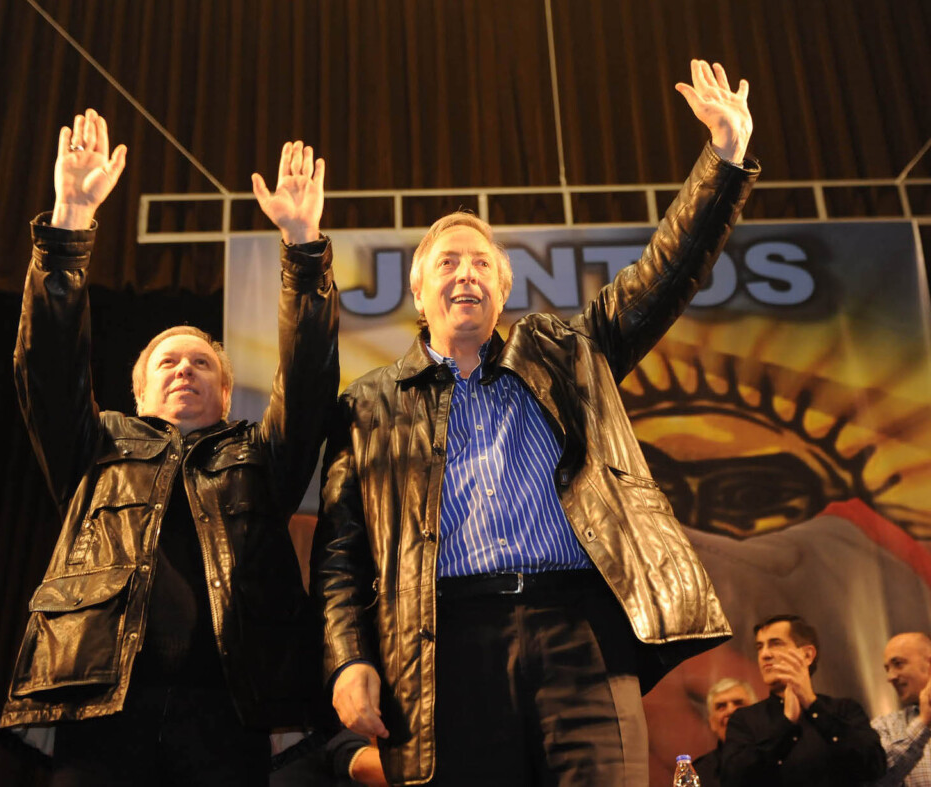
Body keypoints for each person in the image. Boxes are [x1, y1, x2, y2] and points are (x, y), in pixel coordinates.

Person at [313, 60, 758, 785]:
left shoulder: (569, 355)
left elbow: (664, 276)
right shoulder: (369, 406)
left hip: (581, 633)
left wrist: (725, 158)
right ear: (418, 292)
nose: (466, 274)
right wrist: (350, 656)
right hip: (443, 642)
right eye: (449, 262)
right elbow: (340, 555)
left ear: (503, 288)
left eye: (482, 263)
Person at [0, 109, 338, 786]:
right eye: (168, 363)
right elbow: (48, 364)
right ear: (138, 393)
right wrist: (68, 225)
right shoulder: (97, 446)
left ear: (227, 390)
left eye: (201, 363)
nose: (184, 369)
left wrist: (303, 248)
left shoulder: (257, 454)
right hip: (97, 712)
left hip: (229, 717)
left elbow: (306, 382)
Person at [721, 614, 886, 786]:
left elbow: (874, 767)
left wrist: (811, 704)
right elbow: (733, 780)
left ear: (807, 655)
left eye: (775, 643)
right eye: (759, 647)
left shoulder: (844, 710)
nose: (764, 655)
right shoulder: (744, 720)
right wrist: (786, 724)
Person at [871, 632, 931, 786]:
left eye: (898, 664)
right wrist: (923, 722)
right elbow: (877, 778)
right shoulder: (884, 727)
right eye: (887, 669)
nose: (890, 677)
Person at [693, 678, 757, 786]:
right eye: (721, 706)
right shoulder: (698, 772)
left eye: (738, 703)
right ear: (712, 722)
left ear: (756, 714)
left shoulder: (777, 758)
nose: (730, 710)